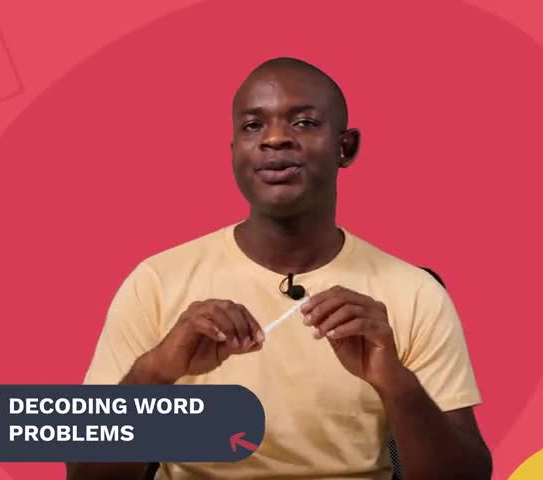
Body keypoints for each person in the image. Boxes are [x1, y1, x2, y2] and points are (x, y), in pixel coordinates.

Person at [67, 57, 492, 480]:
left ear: (346, 147)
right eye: (253, 126)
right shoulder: (157, 283)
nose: (274, 139)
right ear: (235, 153)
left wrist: (395, 382)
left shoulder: (412, 292)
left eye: (303, 123)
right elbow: (86, 475)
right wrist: (157, 371)